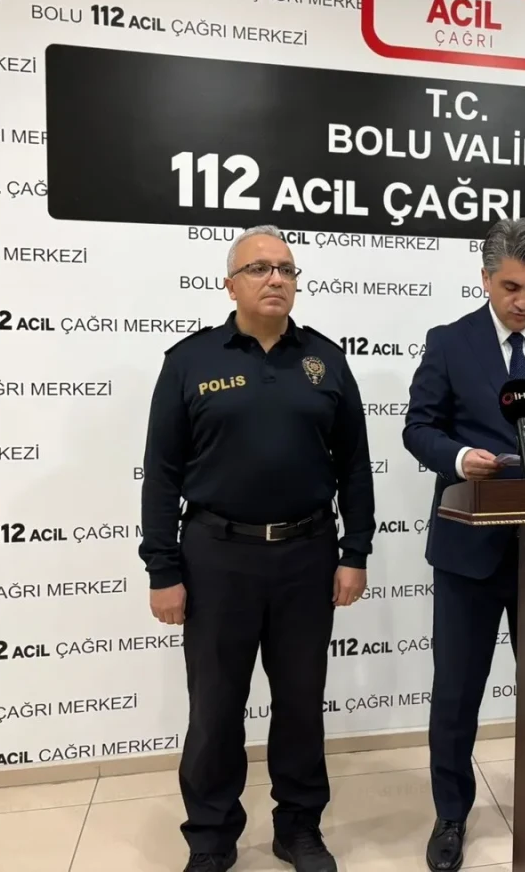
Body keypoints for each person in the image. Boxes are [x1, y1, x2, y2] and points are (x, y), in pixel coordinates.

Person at [140, 225, 374, 872]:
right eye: (260, 268)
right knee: (216, 709)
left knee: (300, 704)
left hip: (308, 555)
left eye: (287, 269)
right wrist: (162, 568)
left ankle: (298, 828)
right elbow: (161, 474)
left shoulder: (326, 361)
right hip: (216, 558)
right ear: (230, 285)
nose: (276, 278)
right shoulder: (190, 361)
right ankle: (211, 838)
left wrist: (355, 552)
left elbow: (354, 466)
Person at [403, 218, 525, 871]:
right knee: (457, 692)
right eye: (512, 287)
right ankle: (451, 814)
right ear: (486, 278)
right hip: (469, 548)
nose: (523, 302)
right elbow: (419, 428)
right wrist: (460, 458)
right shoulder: (450, 341)